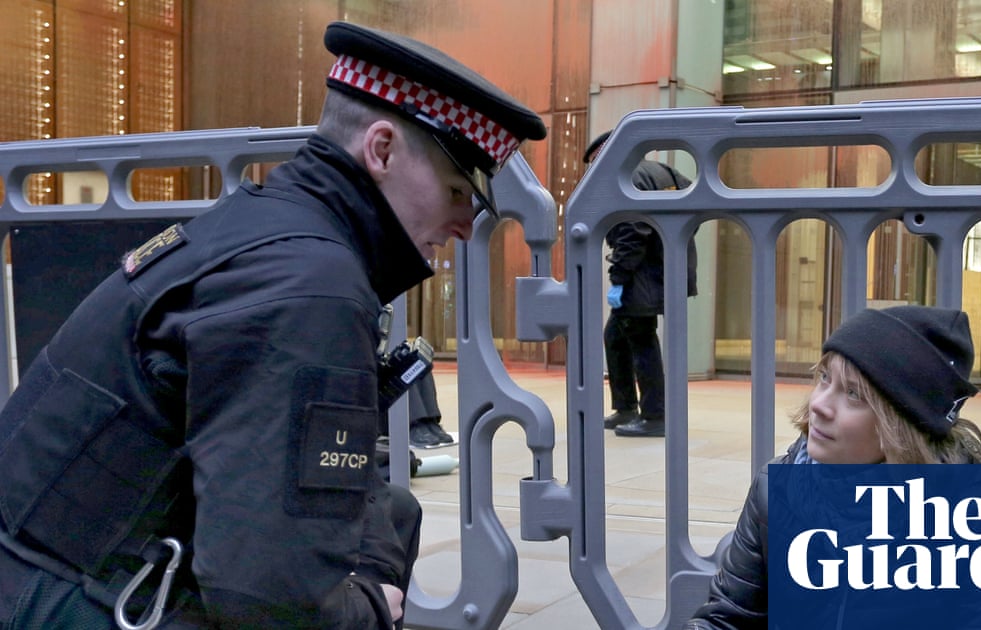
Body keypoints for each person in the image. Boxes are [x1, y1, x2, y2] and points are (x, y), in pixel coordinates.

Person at [0, 20, 544, 629]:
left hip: (47, 569)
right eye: (454, 192)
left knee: (391, 513)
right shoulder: (310, 285)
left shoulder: (270, 231)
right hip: (62, 598)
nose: (465, 225)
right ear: (382, 150)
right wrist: (367, 607)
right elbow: (266, 597)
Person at [685, 305, 981, 629]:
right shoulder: (775, 488)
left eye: (854, 394)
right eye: (825, 378)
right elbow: (727, 617)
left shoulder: (974, 522)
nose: (820, 405)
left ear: (900, 426)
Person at [584, 130, 699, 438]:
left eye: (594, 161)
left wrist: (618, 278)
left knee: (641, 339)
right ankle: (625, 407)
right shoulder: (662, 171)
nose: (593, 169)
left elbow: (632, 230)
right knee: (616, 336)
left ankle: (654, 415)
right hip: (666, 269)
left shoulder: (627, 176)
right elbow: (696, 204)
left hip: (642, 275)